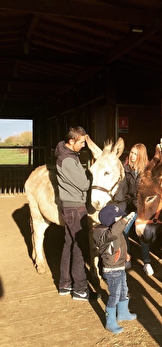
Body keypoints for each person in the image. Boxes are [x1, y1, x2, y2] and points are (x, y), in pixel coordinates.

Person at [55, 126, 99, 301]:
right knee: (79, 249)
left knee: (68, 245)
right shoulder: (68, 160)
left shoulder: (67, 154)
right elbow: (83, 185)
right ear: (71, 141)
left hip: (69, 206)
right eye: (81, 142)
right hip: (75, 207)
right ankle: (80, 289)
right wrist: (92, 175)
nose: (83, 145)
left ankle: (65, 285)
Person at [93, 204, 138, 334]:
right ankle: (110, 321)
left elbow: (119, 245)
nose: (121, 219)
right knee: (114, 295)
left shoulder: (113, 231)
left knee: (124, 290)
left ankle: (123, 312)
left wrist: (125, 255)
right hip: (112, 271)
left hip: (120, 267)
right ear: (111, 221)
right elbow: (114, 233)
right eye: (118, 218)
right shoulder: (103, 234)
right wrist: (124, 221)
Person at [124, 143, 154, 276]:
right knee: (123, 231)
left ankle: (147, 262)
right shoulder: (125, 169)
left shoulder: (147, 172)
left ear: (141, 156)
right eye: (131, 152)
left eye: (135, 154)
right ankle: (127, 257)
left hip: (141, 209)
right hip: (128, 206)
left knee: (142, 234)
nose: (132, 156)